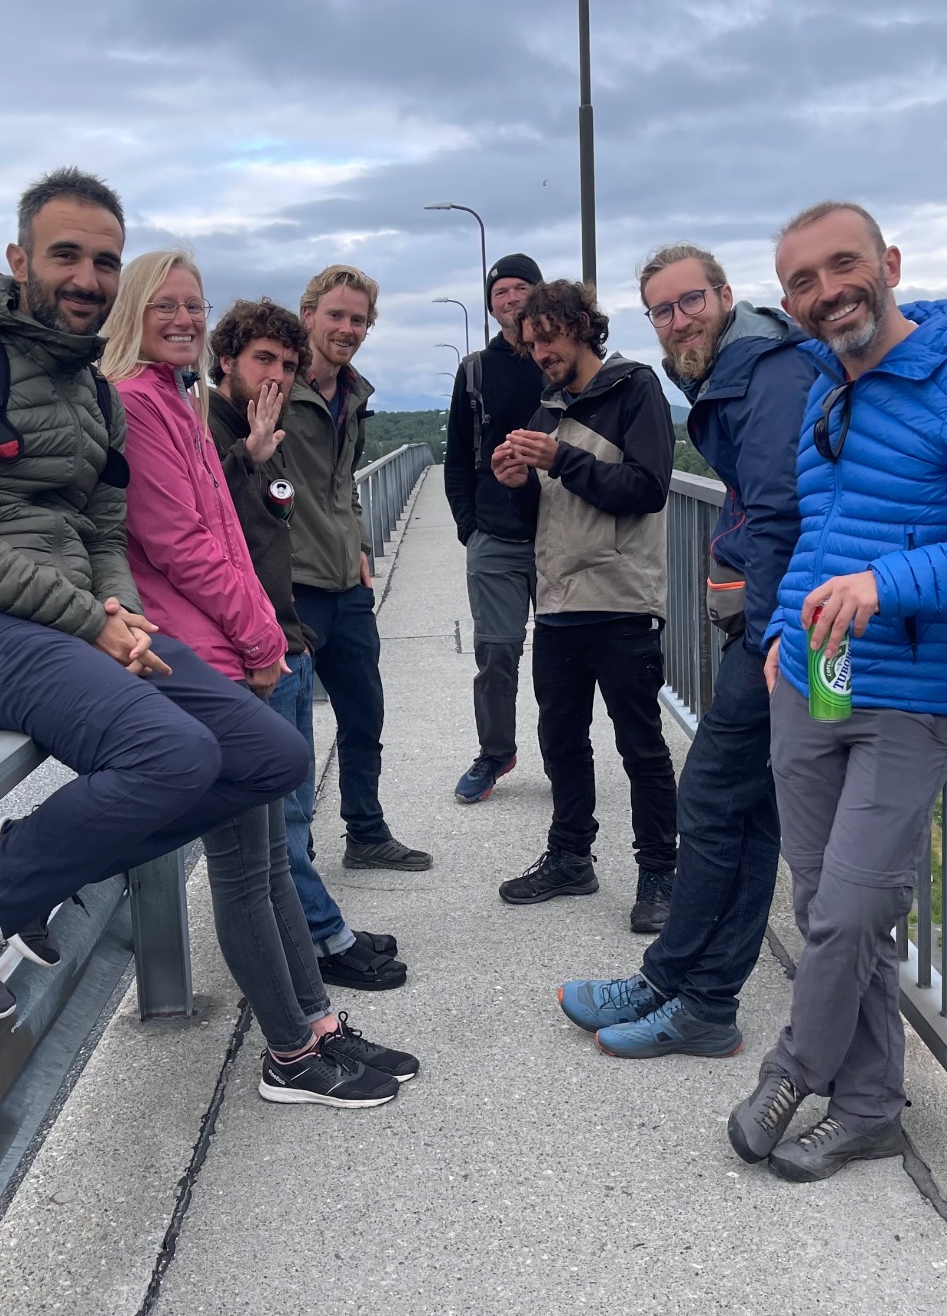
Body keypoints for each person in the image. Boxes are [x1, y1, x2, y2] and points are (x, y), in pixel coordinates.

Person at [0, 169, 310, 1024]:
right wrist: (89, 618)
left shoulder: (93, 394)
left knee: (271, 757)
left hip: (73, 622)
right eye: (65, 254)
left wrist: (117, 612)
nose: (86, 278)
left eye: (104, 260)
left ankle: (31, 874)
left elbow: (105, 533)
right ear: (19, 258)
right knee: (174, 756)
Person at [99, 251, 417, 1108]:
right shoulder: (138, 404)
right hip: (213, 657)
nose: (183, 318)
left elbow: (237, 536)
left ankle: (313, 1024)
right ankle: (289, 1054)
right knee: (248, 863)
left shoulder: (176, 403)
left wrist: (265, 632)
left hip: (242, 648)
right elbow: (184, 548)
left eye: (193, 305)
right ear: (135, 310)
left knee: (267, 859)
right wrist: (261, 640)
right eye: (166, 305)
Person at [730, 199, 947, 1182]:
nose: (825, 291)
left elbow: (887, 560)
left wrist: (885, 586)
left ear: (888, 262)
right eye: (800, 280)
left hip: (911, 694)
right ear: (788, 304)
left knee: (847, 911)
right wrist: (789, 626)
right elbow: (818, 530)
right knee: (821, 898)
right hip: (812, 680)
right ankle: (871, 1105)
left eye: (840, 266)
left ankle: (796, 1066)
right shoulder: (826, 388)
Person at [560, 242, 815, 1058]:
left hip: (785, 629)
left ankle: (682, 983)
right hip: (791, 620)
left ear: (725, 295)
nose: (677, 321)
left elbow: (779, 512)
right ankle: (693, 993)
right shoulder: (734, 370)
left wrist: (768, 632)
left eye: (689, 302)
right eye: (662, 311)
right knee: (752, 812)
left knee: (711, 798)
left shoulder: (763, 374)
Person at [205, 296, 407, 991]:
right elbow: (197, 529)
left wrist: (350, 544)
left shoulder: (260, 421)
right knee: (281, 806)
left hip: (280, 625)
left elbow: (311, 498)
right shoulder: (212, 427)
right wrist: (250, 455)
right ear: (225, 358)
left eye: (287, 367)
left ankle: (316, 924)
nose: (278, 377)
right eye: (265, 360)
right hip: (252, 637)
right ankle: (321, 936)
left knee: (291, 797)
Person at [492, 280, 678, 929]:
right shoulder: (547, 412)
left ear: (580, 326)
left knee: (641, 744)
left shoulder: (635, 388)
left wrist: (560, 457)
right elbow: (542, 516)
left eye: (548, 336)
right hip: (560, 603)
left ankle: (660, 871)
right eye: (531, 343)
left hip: (623, 600)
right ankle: (571, 856)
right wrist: (516, 481)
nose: (540, 351)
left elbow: (649, 487)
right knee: (560, 738)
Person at [269, 262, 431, 871]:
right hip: (294, 588)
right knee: (296, 737)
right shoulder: (278, 388)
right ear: (307, 314)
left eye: (358, 319)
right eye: (335, 315)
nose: (347, 327)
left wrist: (360, 541)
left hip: (346, 584)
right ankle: (297, 856)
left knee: (365, 715)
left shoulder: (354, 395)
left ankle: (366, 832)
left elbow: (346, 485)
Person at [444, 253, 545, 804]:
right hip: (495, 536)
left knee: (562, 659)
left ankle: (564, 756)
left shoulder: (562, 359)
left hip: (559, 536)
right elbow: (456, 455)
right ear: (491, 303)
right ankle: (495, 752)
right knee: (498, 651)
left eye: (520, 288)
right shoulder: (476, 370)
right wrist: (469, 526)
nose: (510, 299)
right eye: (501, 291)